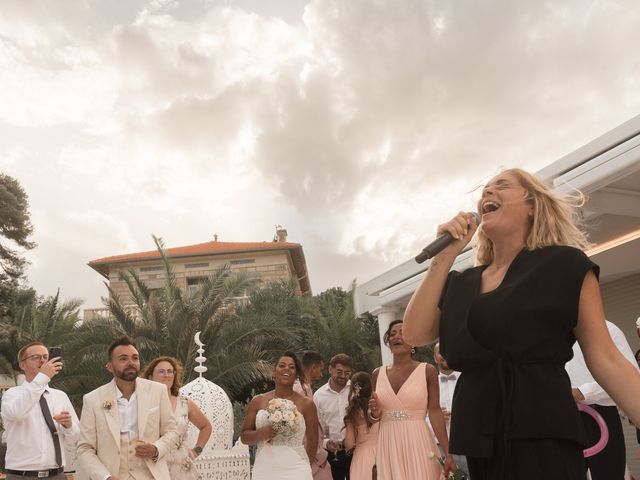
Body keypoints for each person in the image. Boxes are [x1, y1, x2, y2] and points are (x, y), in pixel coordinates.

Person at [402, 168, 640, 480]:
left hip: (541, 431)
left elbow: (606, 359)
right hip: (479, 439)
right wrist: (445, 256)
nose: (488, 193)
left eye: (501, 186)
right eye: (484, 191)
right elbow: (415, 333)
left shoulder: (563, 265)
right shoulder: (461, 282)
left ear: (533, 205)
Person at [77, 336, 178, 480]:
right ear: (110, 366)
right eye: (123, 359)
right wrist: (105, 477)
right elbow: (85, 449)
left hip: (151, 475)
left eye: (135, 358)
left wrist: (156, 449)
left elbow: (172, 431)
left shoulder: (158, 391)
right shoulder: (92, 399)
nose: (131, 363)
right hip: (113, 475)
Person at [368, 320, 453, 479]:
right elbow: (372, 417)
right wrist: (373, 413)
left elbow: (434, 411)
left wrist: (448, 453)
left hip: (418, 441)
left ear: (413, 342)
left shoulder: (427, 371)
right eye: (392, 334)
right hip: (388, 445)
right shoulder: (377, 374)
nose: (396, 337)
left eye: (402, 333)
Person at [566, 320, 639, 479]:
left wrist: (581, 392)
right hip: (558, 419)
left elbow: (628, 376)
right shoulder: (541, 334)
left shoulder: (606, 329)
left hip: (600, 416)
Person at [1, 341, 79, 479]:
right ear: (22, 365)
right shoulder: (12, 394)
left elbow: (75, 439)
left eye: (45, 356)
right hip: (22, 476)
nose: (43, 360)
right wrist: (43, 378)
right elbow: (17, 413)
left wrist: (69, 426)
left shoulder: (60, 396)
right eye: (36, 357)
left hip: (57, 475)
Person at [240, 351, 319, 480]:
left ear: (296, 375)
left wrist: (305, 466)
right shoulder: (258, 401)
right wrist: (261, 433)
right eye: (282, 365)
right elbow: (244, 437)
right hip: (265, 468)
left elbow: (312, 440)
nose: (286, 368)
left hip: (296, 469)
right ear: (274, 373)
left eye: (292, 367)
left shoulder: (307, 404)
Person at [143, 356, 212, 479]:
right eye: (161, 371)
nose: (166, 375)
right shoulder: (143, 404)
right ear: (150, 377)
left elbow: (206, 426)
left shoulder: (184, 403)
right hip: (156, 469)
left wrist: (197, 450)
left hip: (184, 471)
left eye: (170, 371)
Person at [429, 342, 470, 477]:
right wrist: (434, 417)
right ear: (435, 357)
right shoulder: (427, 384)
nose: (444, 355)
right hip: (439, 447)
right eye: (440, 352)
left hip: (467, 444)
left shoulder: (468, 379)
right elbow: (420, 415)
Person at [313, 353, 353, 480]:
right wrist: (326, 443)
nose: (343, 376)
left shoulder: (355, 390)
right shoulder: (319, 396)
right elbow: (316, 429)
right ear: (330, 369)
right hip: (332, 453)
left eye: (347, 373)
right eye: (339, 372)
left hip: (355, 451)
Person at [293, 351, 332, 480]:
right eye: (320, 370)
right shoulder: (299, 390)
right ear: (313, 368)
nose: (321, 375)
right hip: (310, 459)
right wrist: (318, 456)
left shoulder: (306, 388)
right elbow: (303, 428)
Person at [343, 372, 379, 480]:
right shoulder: (378, 404)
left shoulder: (352, 411)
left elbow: (349, 443)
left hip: (362, 457)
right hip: (383, 453)